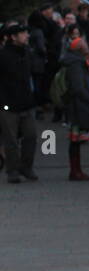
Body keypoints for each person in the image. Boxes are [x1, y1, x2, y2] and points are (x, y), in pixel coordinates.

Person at [1, 23, 40, 183]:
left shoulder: (27, 53)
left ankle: (26, 166)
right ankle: (13, 170)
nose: (27, 36)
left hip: (26, 103)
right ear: (13, 37)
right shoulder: (3, 55)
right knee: (11, 140)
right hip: (8, 105)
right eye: (23, 33)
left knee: (31, 136)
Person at [60, 35, 89, 181]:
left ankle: (76, 169)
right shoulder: (76, 64)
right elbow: (77, 87)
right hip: (77, 107)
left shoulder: (76, 61)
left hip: (77, 106)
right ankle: (75, 171)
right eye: (84, 44)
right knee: (75, 140)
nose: (87, 46)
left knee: (76, 140)